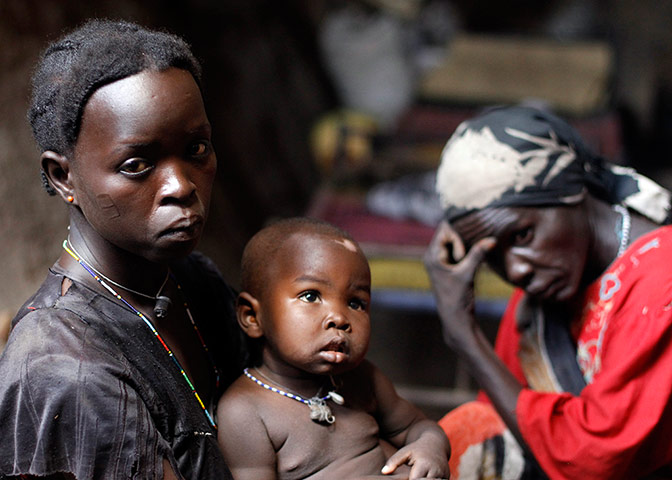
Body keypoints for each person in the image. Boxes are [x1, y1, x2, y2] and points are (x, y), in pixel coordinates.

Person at [0, 20, 246, 479]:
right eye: (137, 165)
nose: (180, 186)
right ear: (63, 177)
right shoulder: (66, 370)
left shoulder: (193, 281)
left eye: (197, 149)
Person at [423, 105, 672, 479]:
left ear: (571, 192)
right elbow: (501, 421)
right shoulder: (542, 293)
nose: (517, 269)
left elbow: (594, 458)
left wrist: (464, 336)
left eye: (522, 236)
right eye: (493, 256)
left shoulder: (661, 282)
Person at [216, 217, 451, 480]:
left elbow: (419, 426)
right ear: (252, 316)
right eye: (310, 296)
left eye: (356, 303)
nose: (339, 318)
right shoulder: (245, 411)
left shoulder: (362, 378)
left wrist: (430, 447)